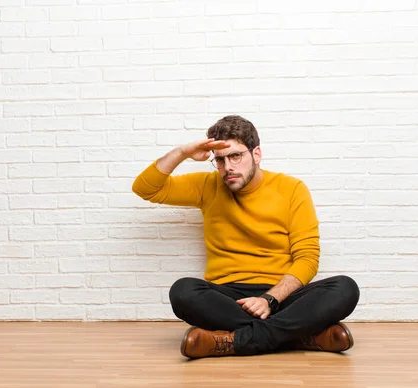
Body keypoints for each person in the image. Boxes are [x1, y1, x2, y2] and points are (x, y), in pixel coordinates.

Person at [132, 115, 360, 359]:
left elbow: (307, 258)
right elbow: (145, 189)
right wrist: (182, 152)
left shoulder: (291, 189)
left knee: (345, 288)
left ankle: (230, 342)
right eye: (220, 160)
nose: (228, 167)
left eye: (235, 156)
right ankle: (301, 336)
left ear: (257, 154)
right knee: (183, 292)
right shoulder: (206, 185)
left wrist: (270, 300)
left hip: (282, 295)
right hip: (230, 298)